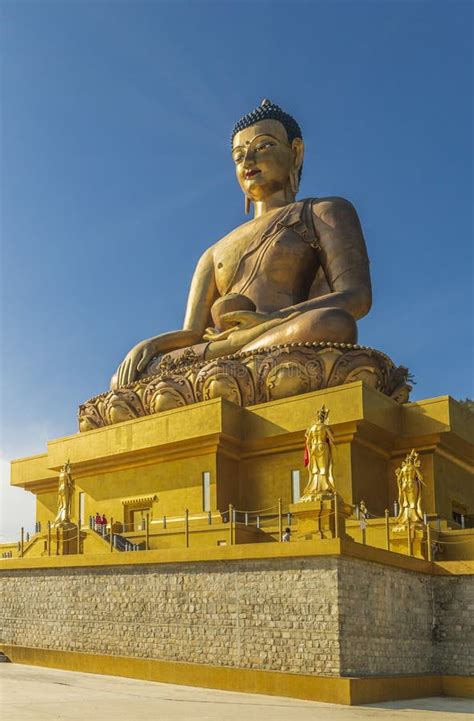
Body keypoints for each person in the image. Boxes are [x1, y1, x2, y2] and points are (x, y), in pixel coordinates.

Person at [111, 99, 371, 389]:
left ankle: (228, 372)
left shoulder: (323, 212)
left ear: (295, 153)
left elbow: (356, 297)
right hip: (227, 351)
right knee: (133, 375)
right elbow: (193, 332)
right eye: (238, 156)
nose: (248, 162)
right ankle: (230, 371)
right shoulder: (214, 252)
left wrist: (266, 322)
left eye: (263, 146)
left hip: (281, 335)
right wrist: (152, 345)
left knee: (333, 324)